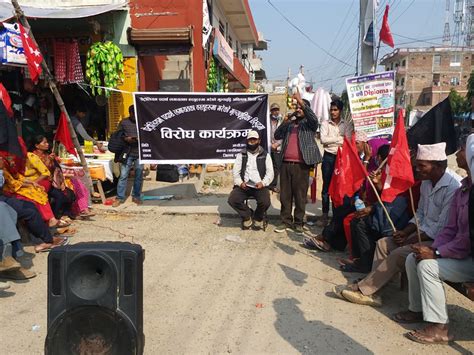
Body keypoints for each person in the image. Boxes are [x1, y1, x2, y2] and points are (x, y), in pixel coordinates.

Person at [336, 142, 462, 307]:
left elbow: (441, 228)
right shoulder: (426, 182)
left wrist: (410, 239)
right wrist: (405, 232)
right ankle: (375, 289)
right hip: (421, 233)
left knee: (400, 252)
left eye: (421, 166)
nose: (416, 169)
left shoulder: (452, 187)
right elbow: (421, 214)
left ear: (437, 165)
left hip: (439, 241)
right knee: (383, 244)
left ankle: (367, 289)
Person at [393, 135, 473, 344]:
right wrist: (429, 248)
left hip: (468, 257)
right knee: (415, 257)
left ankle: (440, 328)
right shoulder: (464, 190)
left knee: (428, 266)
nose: (458, 153)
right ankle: (418, 309)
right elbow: (450, 229)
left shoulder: (456, 187)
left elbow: (466, 240)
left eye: (464, 149)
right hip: (462, 254)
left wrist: (436, 252)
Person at [343, 145, 410, 273]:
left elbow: (394, 200)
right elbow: (384, 195)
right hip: (384, 211)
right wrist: (377, 183)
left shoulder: (403, 175)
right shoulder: (385, 173)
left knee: (359, 222)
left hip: (397, 218)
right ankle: (361, 259)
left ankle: (366, 264)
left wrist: (372, 208)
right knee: (356, 218)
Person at [274, 89, 321, 234]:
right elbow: (277, 135)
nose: (299, 109)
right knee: (285, 195)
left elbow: (314, 118)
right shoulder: (290, 124)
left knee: (300, 195)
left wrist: (301, 101)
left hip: (302, 165)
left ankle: (298, 222)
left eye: (301, 108)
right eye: (297, 108)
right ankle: (285, 221)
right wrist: (285, 121)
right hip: (286, 164)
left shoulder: (309, 124)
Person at [228, 130, 274, 230]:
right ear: (247, 141)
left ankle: (258, 218)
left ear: (259, 140)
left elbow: (270, 173)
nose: (252, 141)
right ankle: (248, 216)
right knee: (232, 199)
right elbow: (236, 172)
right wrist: (240, 183)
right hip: (245, 186)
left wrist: (263, 183)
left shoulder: (265, 155)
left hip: (259, 186)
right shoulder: (241, 154)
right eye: (250, 140)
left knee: (265, 202)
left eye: (254, 139)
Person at [318, 99, 351, 227]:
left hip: (342, 159)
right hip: (328, 157)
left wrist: (333, 140)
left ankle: (337, 216)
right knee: (326, 187)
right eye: (331, 110)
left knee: (339, 187)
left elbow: (347, 141)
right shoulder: (325, 123)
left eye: (335, 110)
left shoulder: (346, 124)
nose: (333, 112)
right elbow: (323, 140)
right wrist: (339, 139)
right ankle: (325, 215)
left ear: (340, 111)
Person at [28, 135, 75, 220]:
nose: (47, 144)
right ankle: (54, 217)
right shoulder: (33, 156)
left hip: (51, 182)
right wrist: (49, 160)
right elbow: (44, 170)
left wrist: (53, 160)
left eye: (47, 142)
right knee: (59, 196)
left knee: (70, 193)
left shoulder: (47, 154)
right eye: (44, 143)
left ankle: (65, 213)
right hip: (40, 182)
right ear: (37, 145)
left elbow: (55, 169)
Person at [113, 105, 144, 207]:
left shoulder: (142, 121)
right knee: (123, 175)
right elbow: (118, 135)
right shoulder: (124, 122)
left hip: (140, 153)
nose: (135, 116)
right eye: (133, 114)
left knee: (139, 175)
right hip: (127, 153)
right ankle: (120, 198)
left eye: (136, 114)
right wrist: (126, 139)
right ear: (129, 113)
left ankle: (136, 196)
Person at [269, 103, 283, 192]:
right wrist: (270, 144)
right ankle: (267, 184)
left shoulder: (282, 120)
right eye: (274, 110)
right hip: (269, 146)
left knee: (276, 166)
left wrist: (277, 144)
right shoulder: (267, 120)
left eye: (277, 109)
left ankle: (273, 185)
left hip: (278, 147)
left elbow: (284, 134)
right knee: (267, 166)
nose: (275, 111)